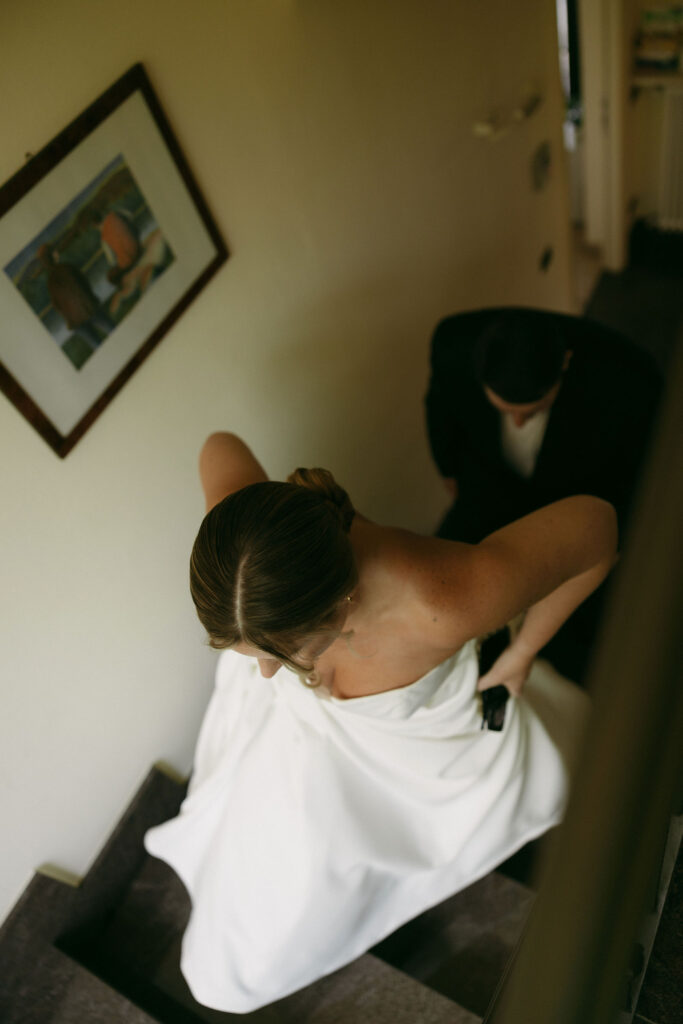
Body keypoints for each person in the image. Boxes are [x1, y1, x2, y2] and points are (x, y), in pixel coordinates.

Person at [145, 431, 617, 1013]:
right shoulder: (254, 547)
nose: (266, 676)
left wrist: (520, 655)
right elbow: (218, 446)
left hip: (409, 757)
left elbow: (597, 527)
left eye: (282, 655)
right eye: (254, 656)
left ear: (341, 605)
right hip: (306, 739)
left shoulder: (445, 602)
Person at [425, 307, 661, 680]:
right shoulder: (452, 342)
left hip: (575, 495)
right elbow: (438, 404)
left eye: (531, 412)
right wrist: (449, 471)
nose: (517, 422)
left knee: (581, 633)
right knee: (443, 587)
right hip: (488, 481)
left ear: (565, 363)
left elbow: (636, 473)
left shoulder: (630, 380)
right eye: (507, 411)